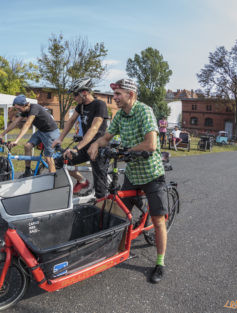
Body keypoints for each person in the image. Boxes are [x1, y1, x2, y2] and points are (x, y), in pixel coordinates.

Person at [88, 78, 167, 284]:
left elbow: (151, 144)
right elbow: (107, 136)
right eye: (114, 95)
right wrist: (97, 144)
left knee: (158, 221)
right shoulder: (121, 115)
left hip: (151, 173)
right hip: (133, 174)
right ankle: (115, 247)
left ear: (130, 95)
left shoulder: (144, 111)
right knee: (120, 212)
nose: (114, 98)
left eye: (118, 94)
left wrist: (127, 151)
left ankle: (160, 262)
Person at [51, 77, 109, 198]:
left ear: (84, 92)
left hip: (98, 147)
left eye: (75, 94)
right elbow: (71, 121)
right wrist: (60, 138)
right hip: (85, 145)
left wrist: (77, 148)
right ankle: (82, 181)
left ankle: (101, 205)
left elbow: (94, 129)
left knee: (100, 188)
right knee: (60, 161)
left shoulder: (99, 105)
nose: (74, 97)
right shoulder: (80, 106)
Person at [0, 94, 60, 177]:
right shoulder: (24, 111)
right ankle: (27, 171)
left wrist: (16, 140)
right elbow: (15, 123)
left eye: (19, 108)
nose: (18, 110)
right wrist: (1, 135)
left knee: (48, 158)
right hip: (41, 132)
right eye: (16, 108)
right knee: (27, 146)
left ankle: (53, 177)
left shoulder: (34, 108)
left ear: (25, 104)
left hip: (51, 133)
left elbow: (27, 124)